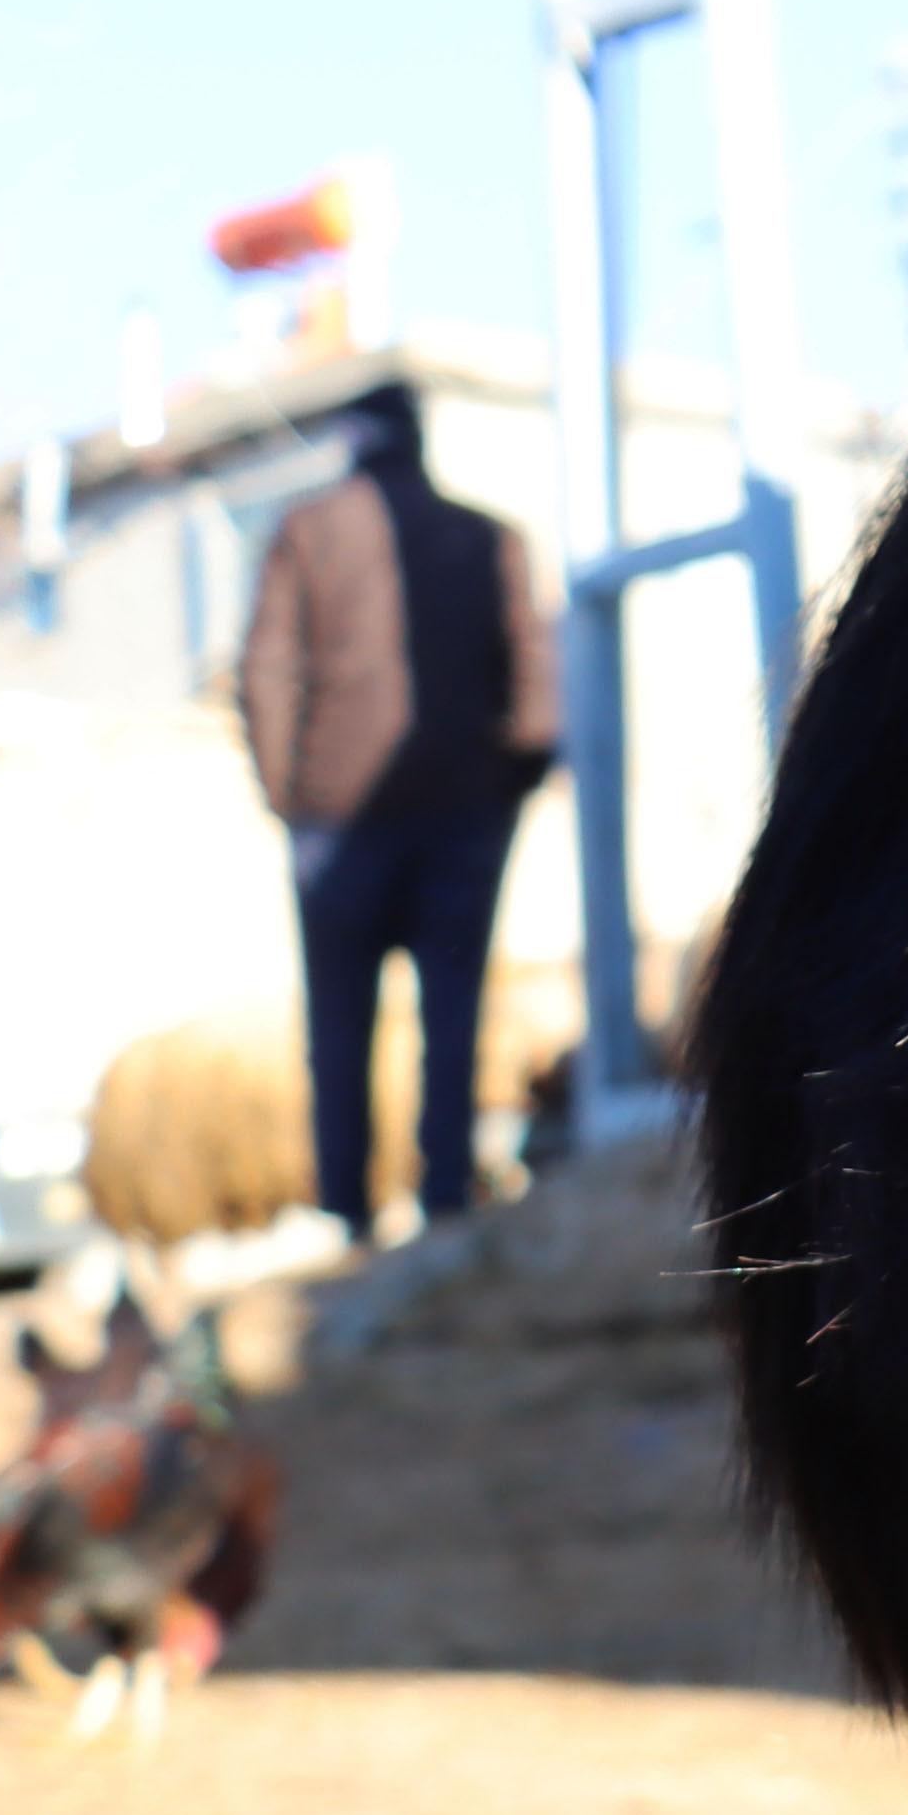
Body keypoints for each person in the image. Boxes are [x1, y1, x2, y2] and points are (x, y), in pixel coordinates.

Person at [233, 389, 556, 1239]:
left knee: (340, 1023)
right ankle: (444, 1196)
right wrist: (512, 779)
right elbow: (531, 673)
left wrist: (288, 798)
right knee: (452, 1016)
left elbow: (265, 669)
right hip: (461, 812)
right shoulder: (490, 537)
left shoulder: (307, 531)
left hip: (338, 820)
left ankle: (349, 1209)